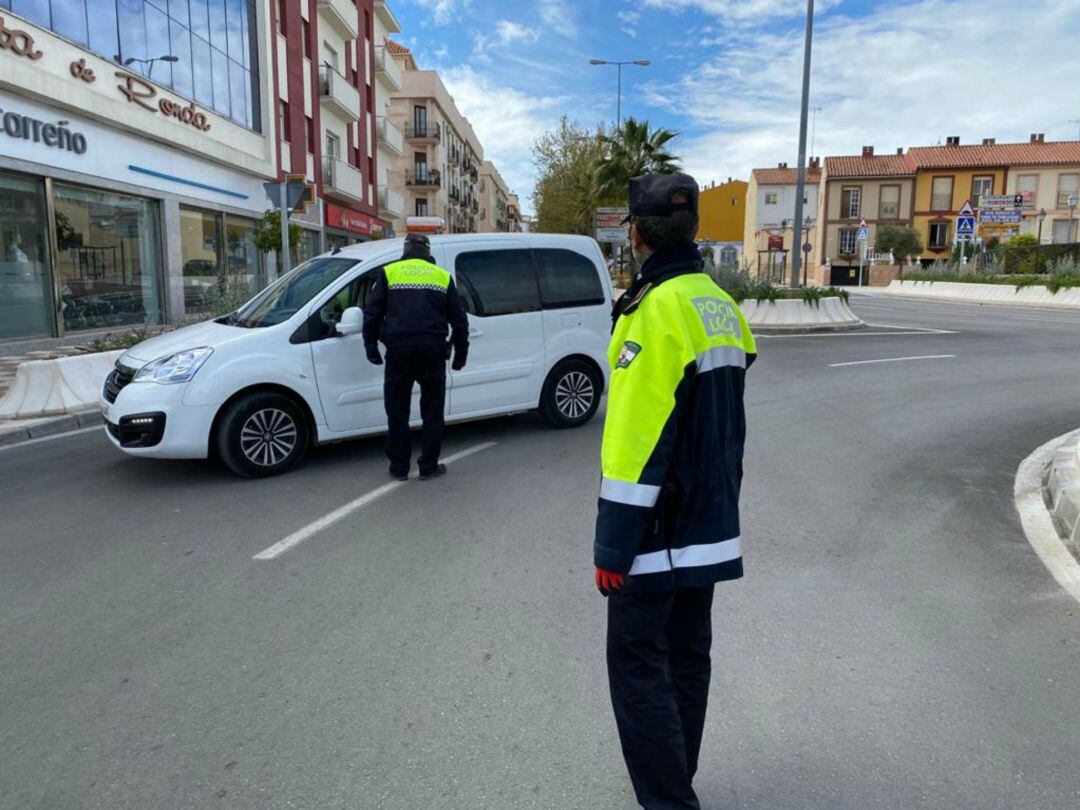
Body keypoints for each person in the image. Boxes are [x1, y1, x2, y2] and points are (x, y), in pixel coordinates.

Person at [594, 173, 757, 809]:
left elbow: (636, 441)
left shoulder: (654, 311)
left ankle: (668, 800)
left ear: (636, 234)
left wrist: (613, 546)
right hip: (710, 519)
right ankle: (677, 775)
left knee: (637, 666)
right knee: (688, 658)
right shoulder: (718, 301)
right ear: (691, 230)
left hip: (656, 530)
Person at [362, 234, 469, 481]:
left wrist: (372, 348)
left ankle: (399, 468)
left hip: (399, 352)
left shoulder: (390, 273)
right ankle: (428, 466)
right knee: (432, 412)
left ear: (405, 250)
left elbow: (371, 314)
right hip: (433, 352)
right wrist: (460, 355)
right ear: (427, 252)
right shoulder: (442, 277)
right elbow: (459, 321)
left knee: (397, 411)